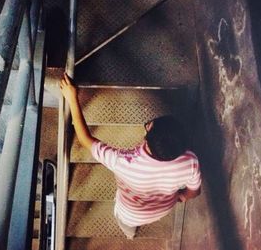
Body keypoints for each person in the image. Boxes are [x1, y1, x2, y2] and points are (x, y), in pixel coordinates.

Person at [59, 73, 201, 239]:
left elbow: (85, 139)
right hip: (162, 210)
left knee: (127, 224)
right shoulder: (190, 161)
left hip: (130, 214)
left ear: (148, 130)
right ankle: (131, 232)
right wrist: (181, 197)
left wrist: (72, 98)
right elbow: (193, 193)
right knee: (138, 220)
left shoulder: (122, 162)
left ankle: (129, 233)